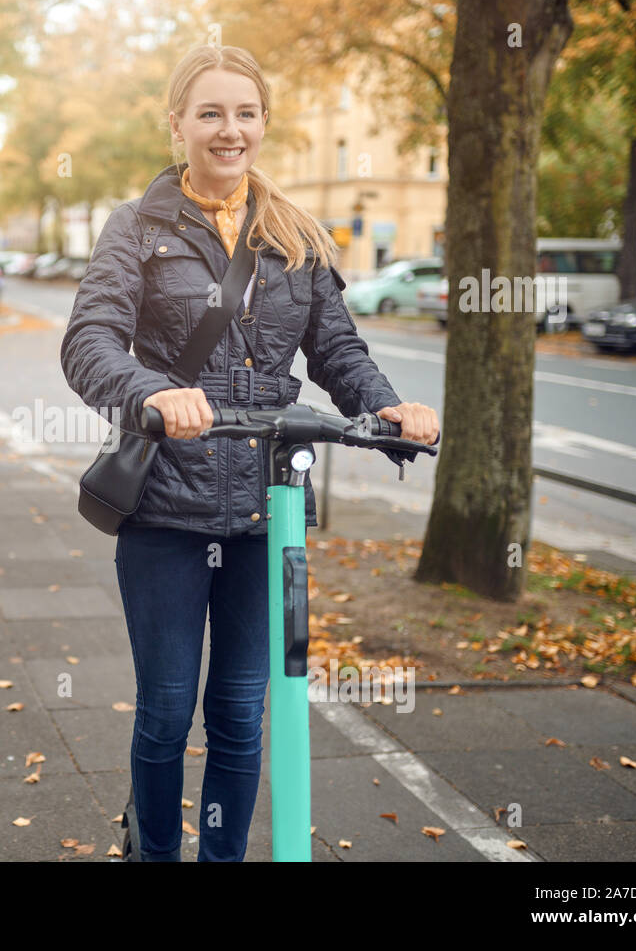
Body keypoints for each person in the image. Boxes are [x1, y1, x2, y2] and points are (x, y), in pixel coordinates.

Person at [59, 44, 439, 861]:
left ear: (263, 123)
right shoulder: (136, 227)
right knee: (165, 712)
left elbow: (338, 351)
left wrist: (387, 409)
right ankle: (154, 850)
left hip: (270, 512)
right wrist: (151, 394)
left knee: (239, 712)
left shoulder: (296, 235)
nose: (229, 131)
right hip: (165, 507)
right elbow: (89, 341)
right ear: (178, 125)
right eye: (210, 113)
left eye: (245, 114)